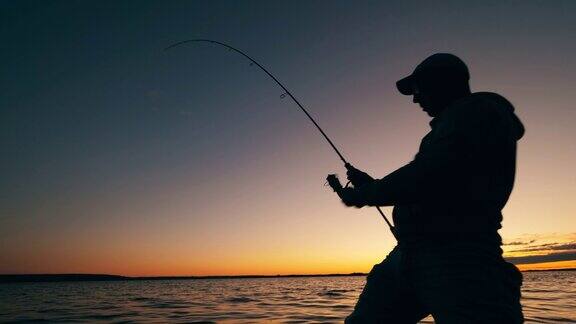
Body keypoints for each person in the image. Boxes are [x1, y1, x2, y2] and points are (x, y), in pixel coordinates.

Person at [328, 53, 525, 323]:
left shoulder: (478, 113)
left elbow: (429, 175)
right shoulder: (454, 125)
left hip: (459, 258)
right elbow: (434, 180)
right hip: (408, 253)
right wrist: (373, 185)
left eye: (418, 89)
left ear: (443, 82)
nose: (415, 99)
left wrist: (365, 194)